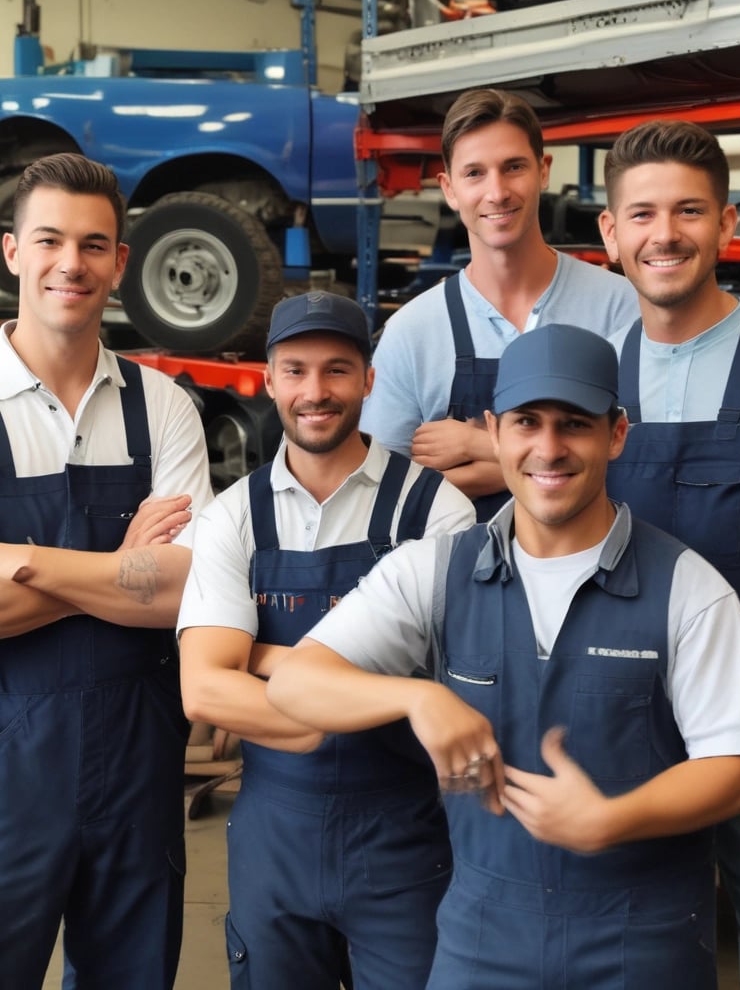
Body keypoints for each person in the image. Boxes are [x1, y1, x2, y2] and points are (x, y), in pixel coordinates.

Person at [266, 322, 740, 990]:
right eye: (527, 422)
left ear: (617, 434)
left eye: (576, 425)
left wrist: (614, 818)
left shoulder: (689, 589)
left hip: (641, 944)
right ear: (495, 431)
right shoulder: (432, 572)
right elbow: (296, 683)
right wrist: (418, 696)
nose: (549, 449)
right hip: (481, 943)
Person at [177, 290, 475, 990]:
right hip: (274, 838)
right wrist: (352, 708)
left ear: (369, 379)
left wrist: (261, 660)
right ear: (269, 378)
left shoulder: (436, 510)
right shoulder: (231, 518)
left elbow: (455, 679)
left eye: (338, 369)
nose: (317, 391)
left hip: (405, 833)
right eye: (297, 370)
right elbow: (205, 686)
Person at [0, 152, 212, 990]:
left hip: (137, 770)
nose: (71, 264)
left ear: (122, 262)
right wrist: (120, 568)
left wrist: (27, 567)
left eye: (94, 244)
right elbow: (146, 581)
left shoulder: (162, 405)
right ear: (12, 251)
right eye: (49, 239)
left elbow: (186, 586)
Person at [597, 118, 740, 990]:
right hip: (623, 731)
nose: (665, 235)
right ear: (611, 233)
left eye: (689, 212)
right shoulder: (592, 375)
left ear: (727, 225)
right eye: (644, 215)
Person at [361, 87, 639, 519]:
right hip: (453, 580)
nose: (497, 192)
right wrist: (555, 467)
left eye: (513, 167)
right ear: (449, 189)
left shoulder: (619, 308)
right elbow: (379, 489)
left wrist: (482, 455)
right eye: (475, 173)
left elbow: (644, 461)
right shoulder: (413, 332)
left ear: (543, 171)